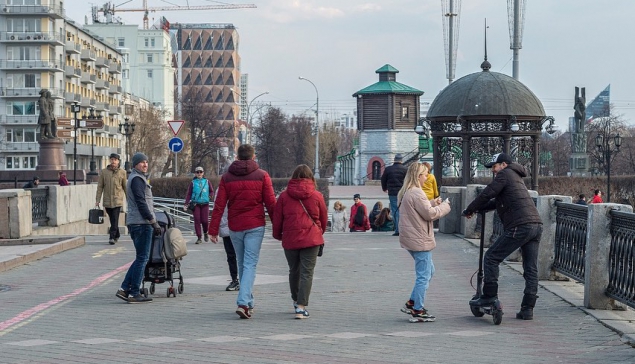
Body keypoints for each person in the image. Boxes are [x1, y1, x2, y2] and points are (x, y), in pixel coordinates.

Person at [463, 153, 543, 320]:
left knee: (491, 257)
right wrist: (478, 209)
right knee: (530, 268)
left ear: (504, 164)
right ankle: (527, 308)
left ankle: (489, 296)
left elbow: (487, 194)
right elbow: (498, 201)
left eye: (495, 166)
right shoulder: (516, 177)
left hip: (520, 226)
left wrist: (470, 208)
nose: (493, 170)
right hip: (535, 225)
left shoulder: (505, 174)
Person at [208, 144, 276, 319]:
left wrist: (213, 229)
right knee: (250, 264)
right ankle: (243, 302)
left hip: (235, 226)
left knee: (242, 263)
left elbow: (219, 205)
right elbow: (271, 204)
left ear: (237, 157)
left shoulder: (227, 177)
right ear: (253, 157)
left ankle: (249, 302)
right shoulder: (262, 176)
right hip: (255, 225)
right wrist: (279, 226)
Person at [273, 164, 327, 319]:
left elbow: (278, 219)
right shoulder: (317, 195)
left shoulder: (284, 196)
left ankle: (296, 300)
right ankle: (301, 307)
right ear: (310, 177)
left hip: (290, 239)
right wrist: (318, 233)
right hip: (311, 239)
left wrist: (278, 235)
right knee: (307, 273)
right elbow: (323, 219)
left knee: (293, 271)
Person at [398, 162, 451, 321]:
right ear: (418, 176)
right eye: (425, 174)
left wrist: (433, 203)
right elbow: (430, 215)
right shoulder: (417, 192)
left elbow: (420, 209)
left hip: (412, 238)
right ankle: (417, 311)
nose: (427, 177)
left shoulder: (408, 191)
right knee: (423, 275)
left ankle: (412, 302)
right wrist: (445, 206)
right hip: (419, 239)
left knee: (429, 271)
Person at [116, 152, 158, 304]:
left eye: (146, 162)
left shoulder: (137, 178)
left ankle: (124, 288)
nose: (145, 164)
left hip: (137, 222)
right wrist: (153, 221)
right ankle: (134, 292)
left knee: (140, 257)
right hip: (142, 223)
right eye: (141, 162)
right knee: (142, 258)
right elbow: (141, 203)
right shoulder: (137, 180)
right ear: (135, 165)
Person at [96, 153, 127, 245]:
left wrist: (129, 199)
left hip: (117, 200)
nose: (113, 161)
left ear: (118, 161)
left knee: (115, 218)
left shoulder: (122, 172)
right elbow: (100, 187)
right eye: (112, 159)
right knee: (112, 219)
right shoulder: (104, 172)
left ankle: (112, 237)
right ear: (110, 160)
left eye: (115, 160)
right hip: (107, 200)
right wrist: (97, 200)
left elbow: (125, 186)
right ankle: (117, 234)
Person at [184, 166, 214, 244]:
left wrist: (210, 196)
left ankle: (205, 232)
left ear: (203, 173)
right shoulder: (193, 183)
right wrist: (186, 204)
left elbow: (211, 191)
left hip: (205, 203)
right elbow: (189, 194)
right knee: (197, 220)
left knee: (205, 220)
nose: (199, 173)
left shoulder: (207, 181)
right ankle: (199, 237)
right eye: (197, 172)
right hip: (196, 204)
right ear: (195, 173)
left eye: (201, 172)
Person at [381, 153, 407, 236]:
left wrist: (384, 188)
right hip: (403, 193)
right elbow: (408, 181)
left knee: (395, 210)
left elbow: (383, 179)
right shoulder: (405, 169)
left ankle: (397, 230)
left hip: (392, 192)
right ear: (401, 160)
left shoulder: (388, 169)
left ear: (394, 160)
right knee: (402, 211)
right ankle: (403, 229)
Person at [218, 198, 240, 291]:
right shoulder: (221, 189)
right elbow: (218, 209)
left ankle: (244, 280)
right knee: (231, 255)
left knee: (244, 256)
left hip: (242, 225)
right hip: (226, 227)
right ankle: (235, 279)